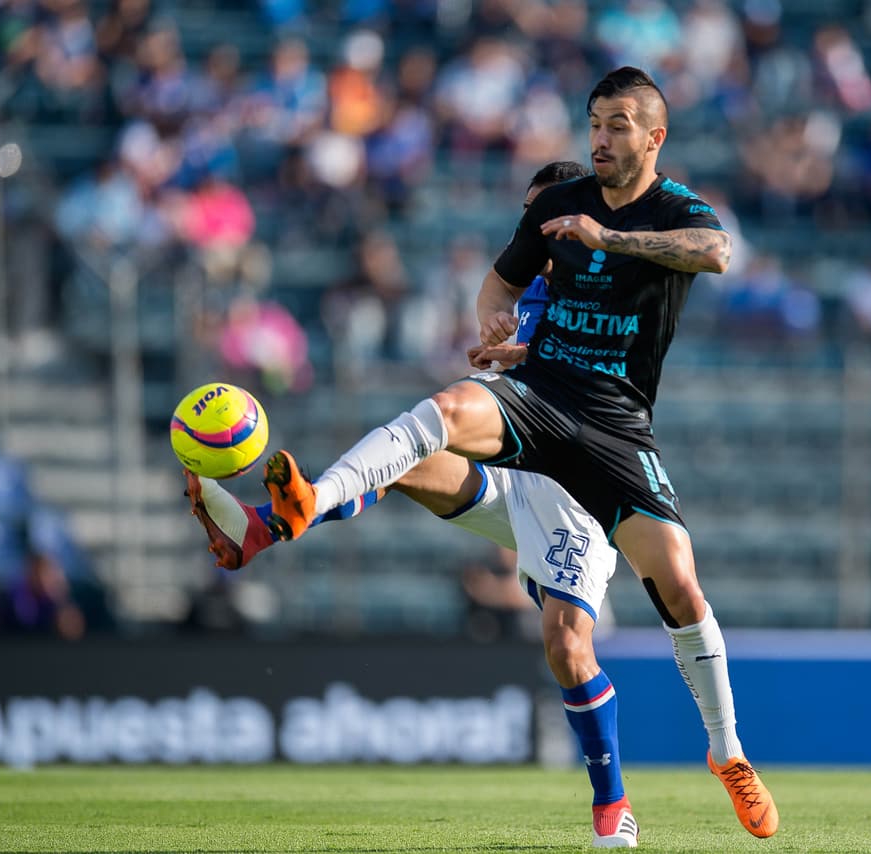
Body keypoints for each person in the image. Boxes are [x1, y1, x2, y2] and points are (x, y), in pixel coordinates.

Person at [255, 67, 777, 839]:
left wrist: (612, 239)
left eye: (620, 124)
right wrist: (498, 324)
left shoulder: (676, 209)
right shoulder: (558, 204)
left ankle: (727, 754)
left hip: (617, 426)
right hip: (539, 396)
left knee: (679, 587)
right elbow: (497, 286)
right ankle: (309, 502)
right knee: (444, 409)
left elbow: (716, 252)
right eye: (596, 122)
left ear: (654, 136)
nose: (602, 136)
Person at [188, 160, 643, 848]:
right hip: (517, 469)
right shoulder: (524, 283)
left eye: (543, 212)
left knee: (567, 647)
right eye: (527, 213)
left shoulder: (611, 278)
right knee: (407, 460)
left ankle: (612, 806)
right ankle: (267, 525)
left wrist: (522, 355)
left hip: (575, 487)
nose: (532, 226)